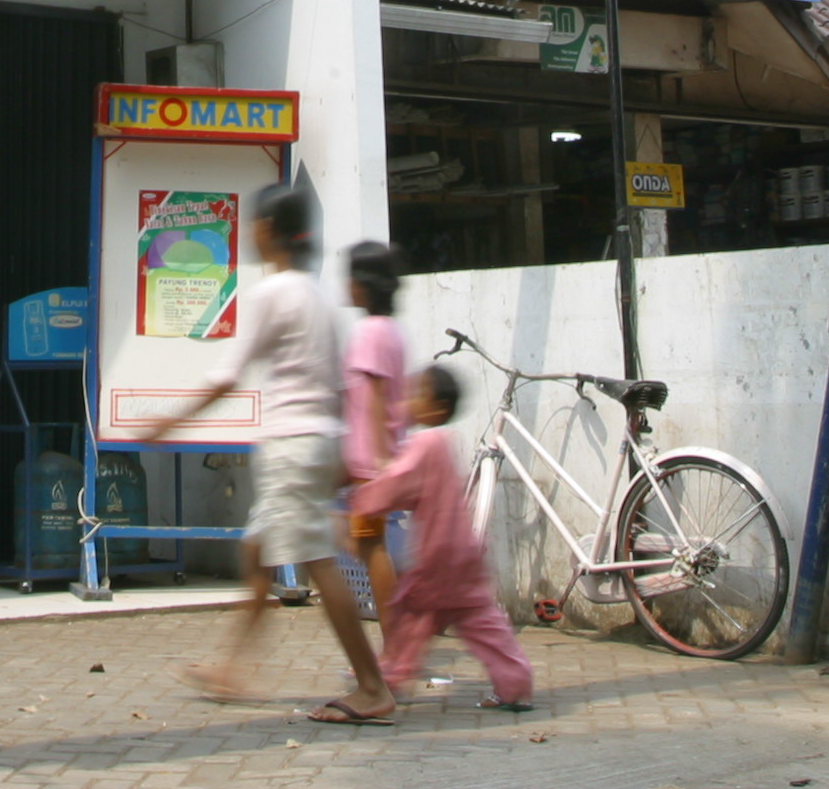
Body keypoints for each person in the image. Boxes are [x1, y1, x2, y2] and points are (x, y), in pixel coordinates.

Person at [125, 180, 394, 725]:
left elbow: (228, 375)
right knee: (256, 555)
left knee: (319, 562)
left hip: (292, 446)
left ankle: (372, 687)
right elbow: (340, 389)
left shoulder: (274, 294)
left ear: (270, 231)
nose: (250, 232)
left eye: (255, 224)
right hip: (312, 444)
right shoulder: (317, 295)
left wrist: (169, 424)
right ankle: (228, 668)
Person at [355, 363, 535, 712]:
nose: (408, 401)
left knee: (410, 613)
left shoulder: (424, 443)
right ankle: (515, 682)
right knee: (481, 620)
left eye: (415, 395)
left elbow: (398, 483)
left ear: (435, 407)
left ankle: (390, 677)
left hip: (435, 557)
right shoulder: (442, 443)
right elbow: (417, 489)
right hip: (463, 553)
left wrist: (362, 499)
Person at [340, 241, 407, 623]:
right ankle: (395, 647)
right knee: (370, 549)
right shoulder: (391, 331)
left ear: (362, 285)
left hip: (370, 468)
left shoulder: (369, 332)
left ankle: (395, 649)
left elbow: (378, 396)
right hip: (375, 464)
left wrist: (379, 461)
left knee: (372, 552)